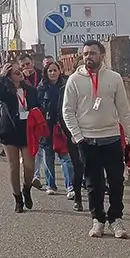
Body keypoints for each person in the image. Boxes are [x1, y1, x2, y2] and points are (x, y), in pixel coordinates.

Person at [63, 40, 130, 238]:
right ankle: (97, 219)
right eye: (85, 53)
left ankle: (115, 219)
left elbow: (124, 111)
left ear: (102, 55)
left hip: (112, 138)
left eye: (92, 53)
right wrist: (78, 136)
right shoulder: (74, 80)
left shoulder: (114, 78)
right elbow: (67, 112)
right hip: (87, 141)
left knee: (116, 181)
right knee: (93, 183)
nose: (88, 56)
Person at [0, 63, 41, 213]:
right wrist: (1, 76)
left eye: (19, 71)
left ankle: (26, 188)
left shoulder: (31, 90)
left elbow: (38, 105)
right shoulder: (5, 90)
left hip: (27, 130)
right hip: (9, 130)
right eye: (15, 72)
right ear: (9, 76)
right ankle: (18, 198)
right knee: (14, 167)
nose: (19, 73)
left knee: (29, 166)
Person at [37, 61, 82, 205]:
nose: (52, 73)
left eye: (55, 70)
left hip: (62, 126)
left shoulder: (66, 85)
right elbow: (37, 107)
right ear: (46, 72)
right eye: (49, 71)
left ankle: (70, 186)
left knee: (66, 157)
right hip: (46, 127)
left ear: (59, 71)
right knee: (48, 157)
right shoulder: (41, 88)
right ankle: (51, 184)